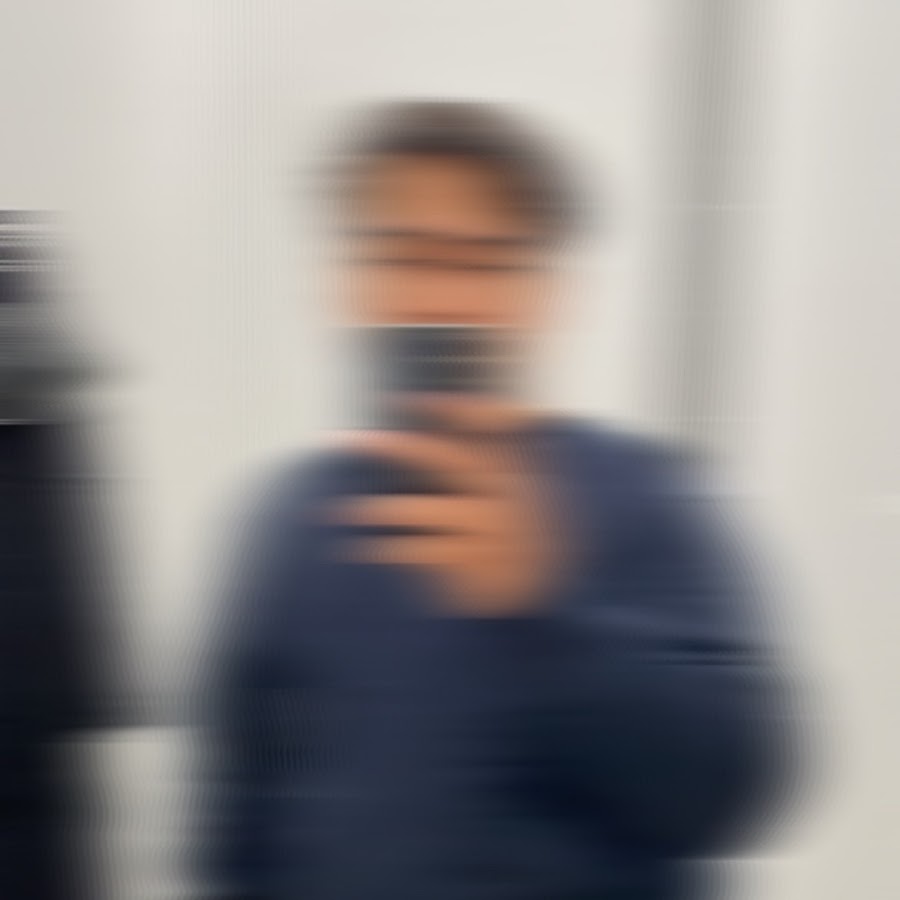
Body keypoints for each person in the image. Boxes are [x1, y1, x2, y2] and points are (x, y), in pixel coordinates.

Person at [196, 100, 801, 900]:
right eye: (405, 255)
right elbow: (234, 820)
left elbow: (729, 795)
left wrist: (546, 616)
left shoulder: (651, 499)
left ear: (547, 295)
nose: (441, 299)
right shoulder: (286, 520)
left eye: (482, 262)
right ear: (347, 285)